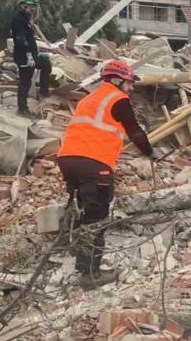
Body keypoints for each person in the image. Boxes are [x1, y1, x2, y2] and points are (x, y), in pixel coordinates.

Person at [56, 60, 156, 289]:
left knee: (86, 212)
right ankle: (91, 275)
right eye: (129, 83)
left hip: (68, 160)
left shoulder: (89, 99)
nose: (131, 88)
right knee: (97, 216)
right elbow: (134, 130)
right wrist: (150, 152)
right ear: (117, 80)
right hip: (93, 163)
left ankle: (83, 267)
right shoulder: (118, 99)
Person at [11, 0, 51, 116]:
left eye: (34, 6)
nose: (33, 8)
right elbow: (20, 39)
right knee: (25, 81)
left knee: (45, 63)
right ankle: (22, 109)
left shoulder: (26, 19)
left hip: (31, 55)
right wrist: (28, 55)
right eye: (30, 6)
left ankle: (44, 92)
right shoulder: (19, 19)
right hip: (23, 56)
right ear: (23, 5)